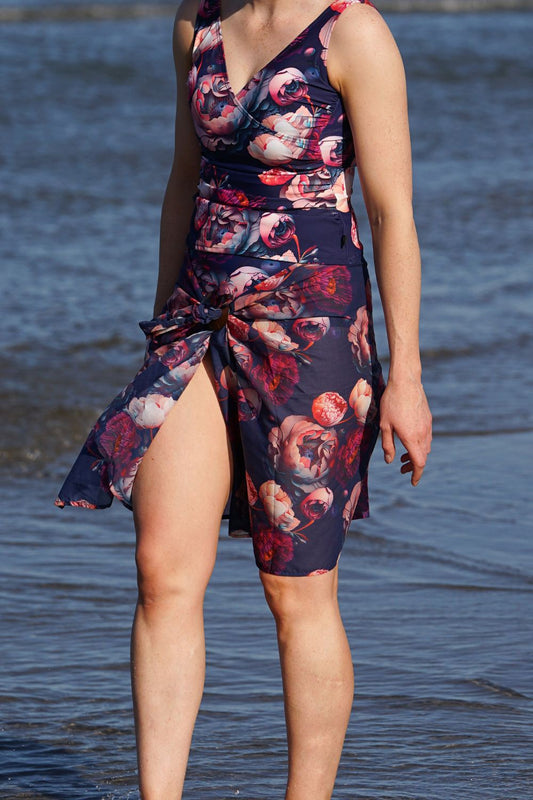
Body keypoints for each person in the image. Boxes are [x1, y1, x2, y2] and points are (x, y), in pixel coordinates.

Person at [56, 0, 432, 797]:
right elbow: (182, 182)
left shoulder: (350, 32)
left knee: (294, 591)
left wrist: (406, 378)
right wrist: (163, 328)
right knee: (161, 569)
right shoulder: (197, 23)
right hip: (197, 321)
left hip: (311, 337)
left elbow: (391, 212)